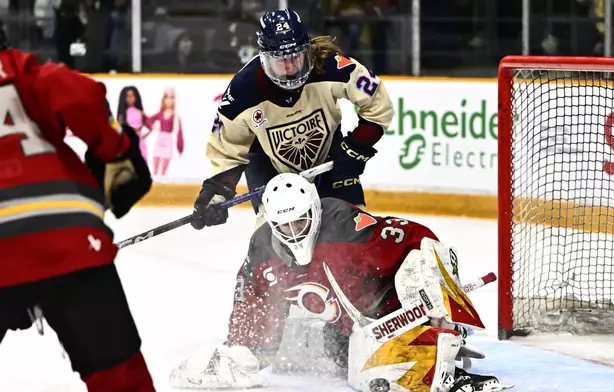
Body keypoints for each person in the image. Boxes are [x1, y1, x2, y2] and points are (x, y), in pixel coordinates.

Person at [171, 173, 508, 392]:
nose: (294, 232)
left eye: (300, 221)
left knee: (404, 379)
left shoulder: (345, 225)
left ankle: (445, 342)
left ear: (314, 211)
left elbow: (421, 239)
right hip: (351, 330)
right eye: (283, 226)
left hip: (397, 307)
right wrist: (242, 350)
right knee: (362, 375)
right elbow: (251, 303)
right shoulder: (262, 252)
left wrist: (439, 299)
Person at [0, 20, 155, 392]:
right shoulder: (16, 68)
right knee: (121, 379)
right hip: (69, 239)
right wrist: (114, 148)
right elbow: (77, 93)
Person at [191, 8, 394, 231]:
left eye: (295, 57)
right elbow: (227, 149)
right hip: (269, 169)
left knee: (354, 237)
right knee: (270, 250)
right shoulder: (241, 93)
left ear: (307, 51)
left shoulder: (331, 66)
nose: (289, 68)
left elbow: (378, 103)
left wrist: (354, 149)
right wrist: (216, 192)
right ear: (264, 59)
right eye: (280, 60)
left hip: (331, 161)